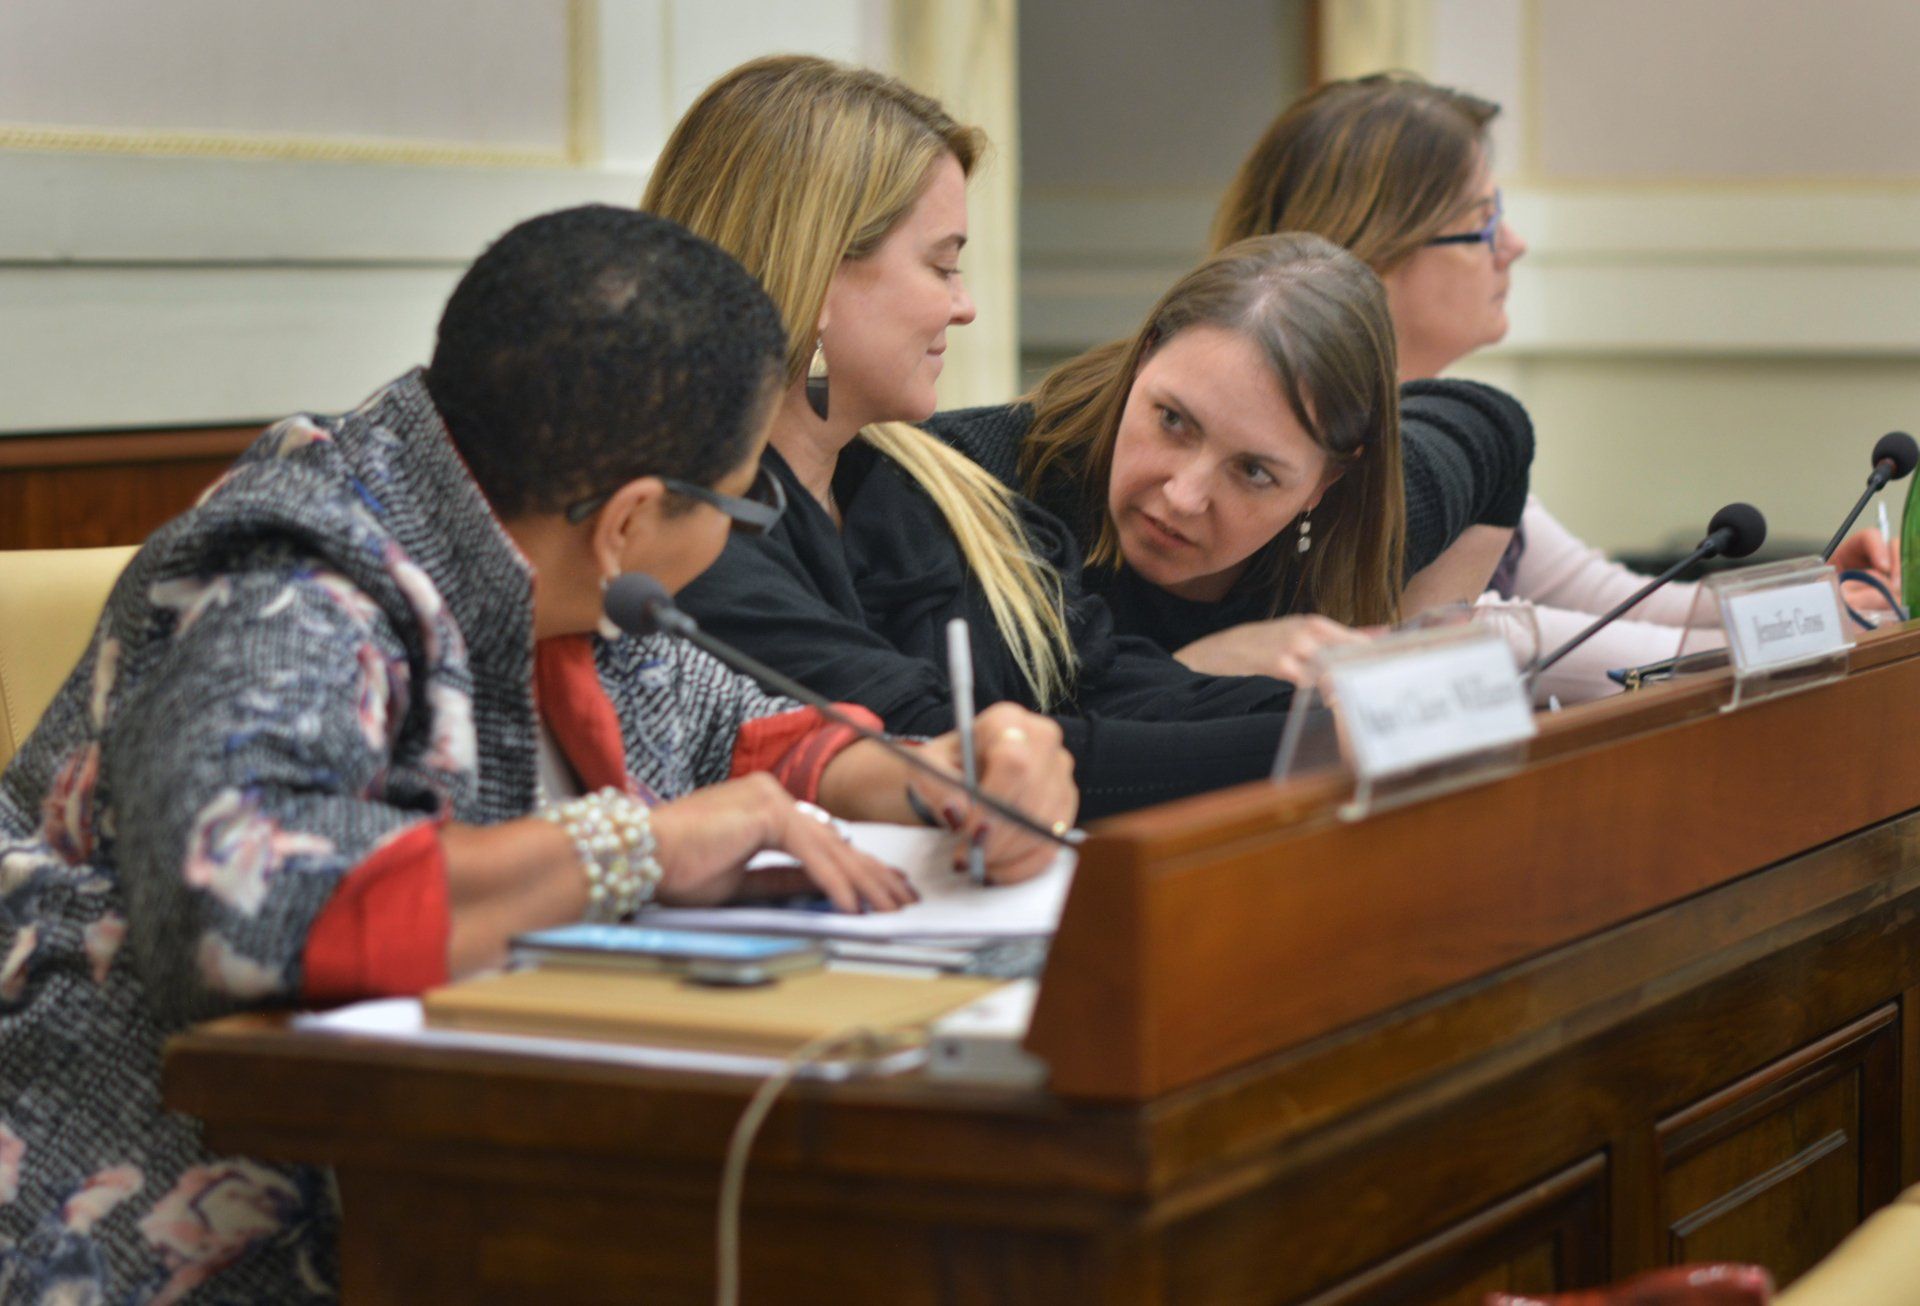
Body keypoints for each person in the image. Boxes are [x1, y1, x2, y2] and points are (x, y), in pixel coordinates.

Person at [0, 205, 1073, 1302]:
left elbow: (729, 728)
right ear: (629, 522)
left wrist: (939, 774)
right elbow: (242, 897)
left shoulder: (527, 543)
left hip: (436, 1195)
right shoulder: (293, 583)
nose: (742, 526)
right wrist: (635, 845)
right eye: (744, 501)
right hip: (139, 1227)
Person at [647, 55, 1324, 819]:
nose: (963, 307)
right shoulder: (683, 531)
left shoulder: (926, 485)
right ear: (818, 276)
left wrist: (1351, 713)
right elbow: (961, 757)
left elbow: (1106, 681)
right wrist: (1325, 744)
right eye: (942, 266)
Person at [1210, 71, 1892, 702]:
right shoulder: (1311, 455)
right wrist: (1811, 633)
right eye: (1481, 221)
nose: (1513, 244)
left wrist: (1822, 595)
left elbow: (1610, 598)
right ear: (1377, 250)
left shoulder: (1455, 436)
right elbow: (1485, 641)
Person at [928, 231, 1534, 686]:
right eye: (1172, 421)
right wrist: (1192, 671)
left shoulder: (1354, 525)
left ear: (1326, 481)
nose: (1182, 496)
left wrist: (1408, 656)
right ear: (1144, 356)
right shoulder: (972, 481)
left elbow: (1498, 431)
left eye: (1253, 471)